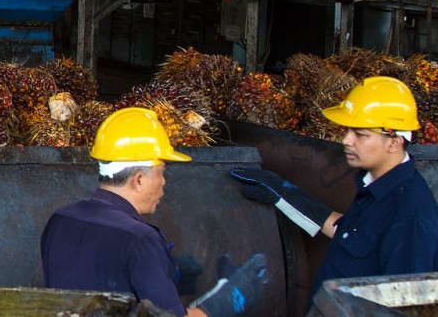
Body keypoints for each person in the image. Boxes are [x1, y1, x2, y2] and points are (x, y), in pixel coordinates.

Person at [230, 76, 438, 298]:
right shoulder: (377, 188)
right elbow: (350, 234)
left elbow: (403, 304)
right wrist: (283, 194)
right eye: (348, 131)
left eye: (360, 134)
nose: (346, 140)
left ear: (394, 142)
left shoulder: (411, 220)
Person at [41, 107, 270, 317]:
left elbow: (92, 275)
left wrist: (160, 272)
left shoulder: (60, 220)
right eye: (161, 172)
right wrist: (229, 298)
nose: (164, 182)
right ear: (139, 179)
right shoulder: (141, 240)